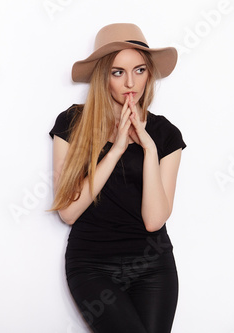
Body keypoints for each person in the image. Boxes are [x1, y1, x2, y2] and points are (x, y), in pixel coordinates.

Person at [48, 23, 186, 333]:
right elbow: (68, 212)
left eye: (139, 70)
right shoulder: (72, 123)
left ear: (149, 73)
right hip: (92, 266)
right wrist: (115, 150)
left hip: (154, 267)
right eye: (118, 72)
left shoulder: (166, 135)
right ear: (102, 76)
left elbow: (154, 221)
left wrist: (149, 149)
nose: (130, 83)